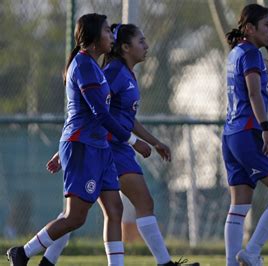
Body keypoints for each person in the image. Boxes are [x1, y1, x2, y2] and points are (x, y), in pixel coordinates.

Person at [41, 23, 199, 266]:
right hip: (110, 148)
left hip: (115, 147)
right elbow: (93, 110)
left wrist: (154, 142)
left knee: (82, 212)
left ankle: (47, 259)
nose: (146, 46)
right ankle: (165, 263)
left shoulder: (127, 74)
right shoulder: (113, 72)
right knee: (134, 204)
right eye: (141, 41)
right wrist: (63, 152)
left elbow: (127, 119)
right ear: (125, 47)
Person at [5, 13, 150, 266]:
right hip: (84, 148)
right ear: (94, 40)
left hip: (99, 148)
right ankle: (23, 252)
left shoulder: (95, 65)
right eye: (106, 31)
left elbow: (88, 115)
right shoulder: (83, 65)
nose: (111, 36)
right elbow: (100, 114)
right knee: (75, 217)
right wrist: (133, 141)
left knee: (115, 209)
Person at [222, 4, 268, 266]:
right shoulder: (251, 54)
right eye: (267, 25)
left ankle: (233, 262)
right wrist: (266, 129)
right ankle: (252, 252)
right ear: (250, 28)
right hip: (249, 131)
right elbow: (254, 93)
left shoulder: (238, 53)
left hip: (230, 135)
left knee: (239, 205)